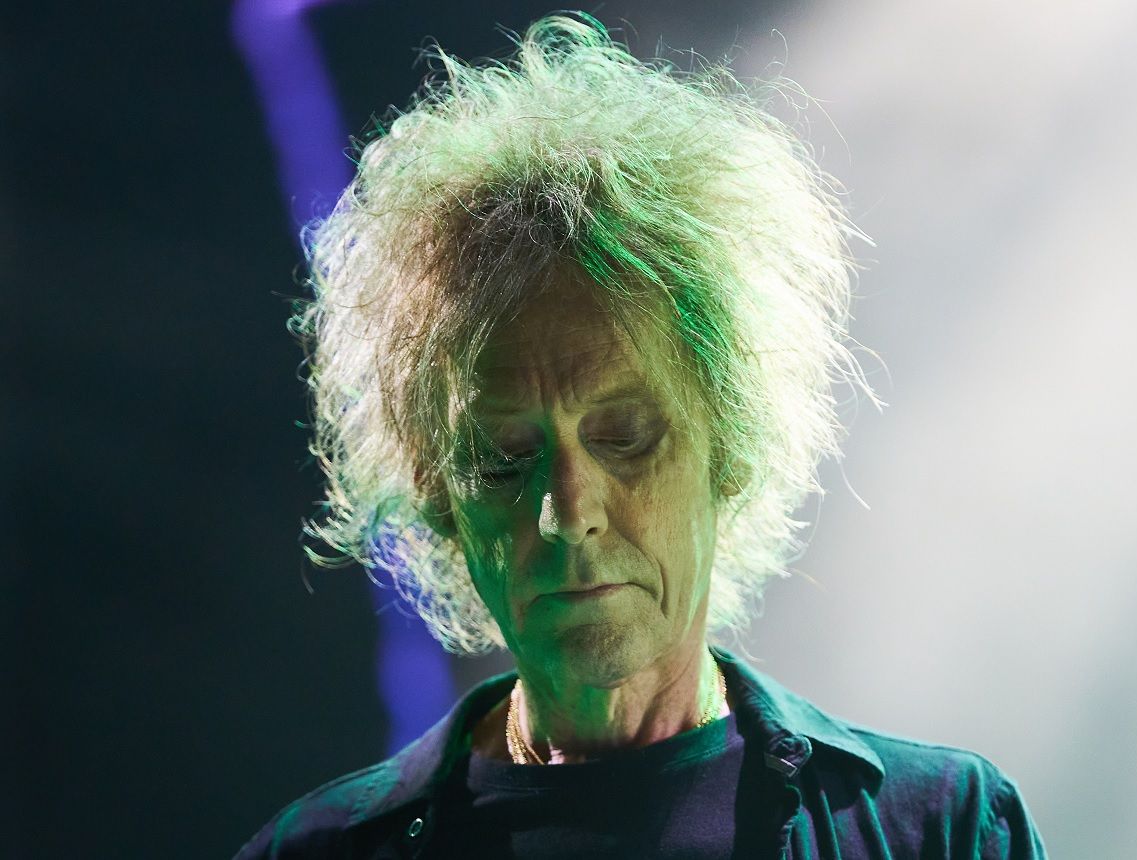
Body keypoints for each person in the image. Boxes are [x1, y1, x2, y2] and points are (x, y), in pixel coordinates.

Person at [235, 13, 1047, 859]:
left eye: (624, 436)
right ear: (439, 498)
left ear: (730, 446)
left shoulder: (941, 828)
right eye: (504, 460)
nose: (568, 513)